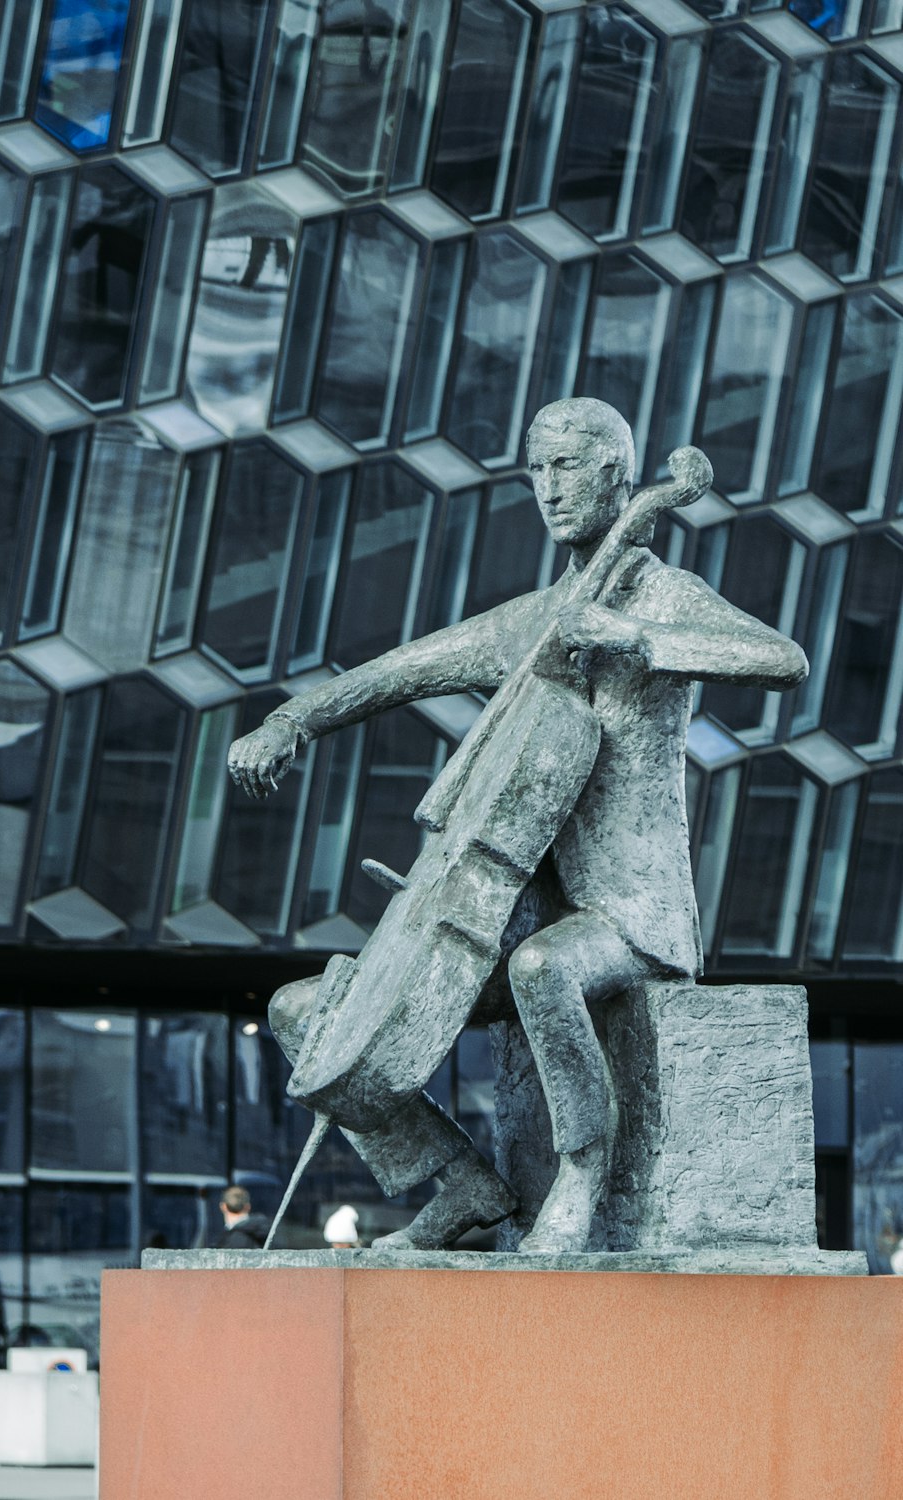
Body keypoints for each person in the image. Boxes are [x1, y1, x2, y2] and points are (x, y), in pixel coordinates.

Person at [228, 398, 807, 1255]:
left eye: (567, 466)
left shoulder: (660, 593)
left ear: (616, 472)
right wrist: (292, 721)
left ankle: (579, 1174)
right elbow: (399, 671)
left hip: (631, 915)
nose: (548, 488)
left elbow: (780, 659)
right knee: (302, 1013)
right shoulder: (533, 620)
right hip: (508, 912)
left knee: (543, 971)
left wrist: (635, 638)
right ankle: (465, 1185)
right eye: (536, 469)